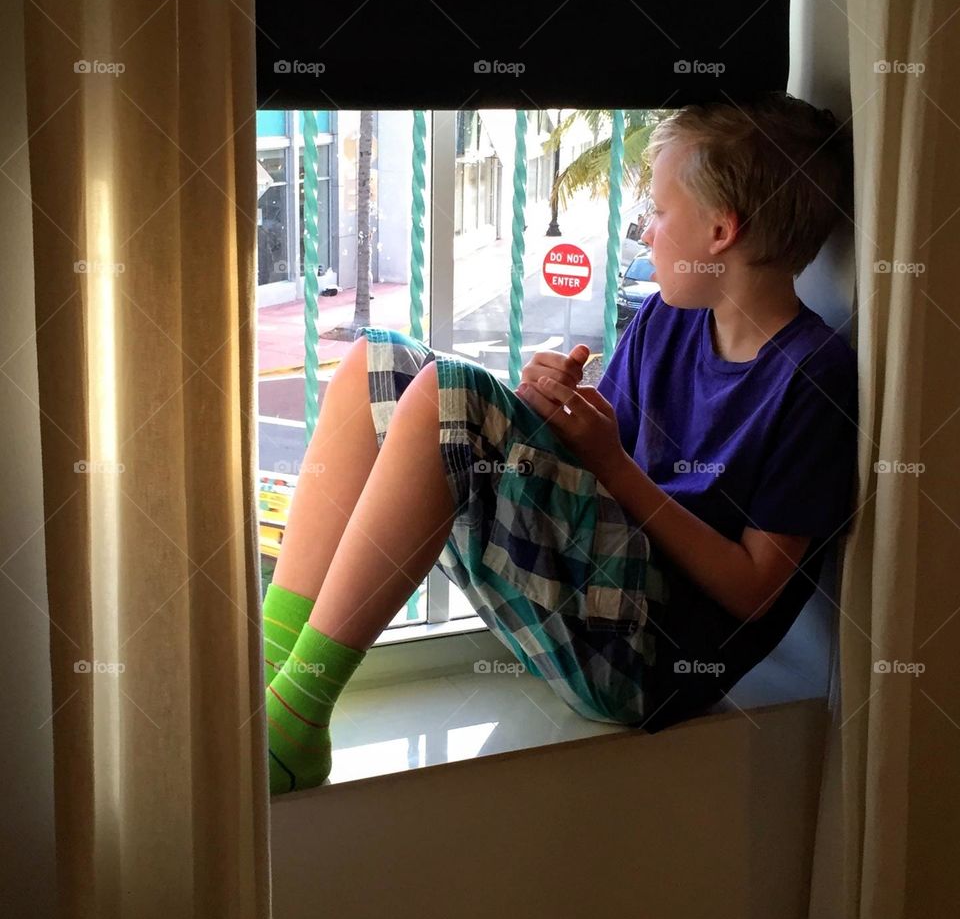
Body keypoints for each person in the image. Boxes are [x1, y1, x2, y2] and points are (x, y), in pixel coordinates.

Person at [262, 91, 860, 795]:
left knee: (444, 394)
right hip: (599, 595)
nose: (644, 230)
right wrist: (547, 420)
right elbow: (598, 477)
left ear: (721, 233)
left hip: (643, 658)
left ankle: (293, 727)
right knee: (375, 363)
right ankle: (275, 672)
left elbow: (755, 590)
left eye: (661, 212)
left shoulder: (813, 378)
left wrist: (604, 458)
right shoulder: (668, 323)